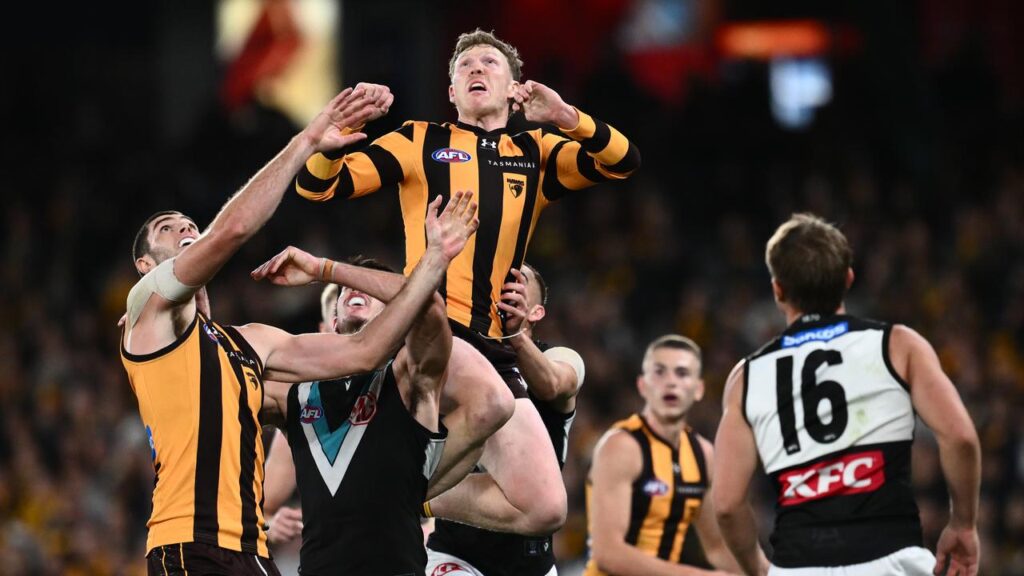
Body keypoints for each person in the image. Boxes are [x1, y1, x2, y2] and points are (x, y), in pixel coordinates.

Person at [119, 84, 481, 575]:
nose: (185, 227)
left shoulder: (250, 342)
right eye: (167, 227)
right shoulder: (146, 310)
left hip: (252, 551)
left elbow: (363, 352)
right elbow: (233, 230)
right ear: (146, 265)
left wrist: (432, 263)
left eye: (188, 223)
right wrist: (307, 140)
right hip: (188, 543)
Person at [293, 28, 641, 531]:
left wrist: (566, 117)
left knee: (545, 507)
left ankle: (402, 498)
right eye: (465, 67)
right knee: (491, 405)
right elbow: (316, 188)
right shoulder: (419, 140)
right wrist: (329, 145)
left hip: (497, 344)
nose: (476, 69)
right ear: (452, 92)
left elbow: (624, 162)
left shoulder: (537, 151)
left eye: (490, 64)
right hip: (434, 329)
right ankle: (383, 494)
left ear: (516, 89)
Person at [712, 213, 981, 576]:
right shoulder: (898, 346)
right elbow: (961, 437)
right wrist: (963, 525)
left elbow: (727, 504)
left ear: (778, 290)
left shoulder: (746, 378)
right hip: (894, 559)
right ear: (848, 279)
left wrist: (757, 568)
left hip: (798, 565)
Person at [253, 252, 460, 576]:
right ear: (332, 321)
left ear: (397, 316)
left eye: (368, 287)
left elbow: (430, 309)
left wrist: (328, 270)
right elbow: (225, 386)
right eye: (343, 289)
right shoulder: (296, 394)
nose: (352, 289)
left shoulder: (410, 380)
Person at [425, 263, 585, 576]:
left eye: (515, 279)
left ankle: (412, 494)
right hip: (456, 554)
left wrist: (515, 336)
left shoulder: (559, 358)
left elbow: (554, 384)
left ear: (536, 312)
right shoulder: (455, 363)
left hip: (533, 562)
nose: (501, 283)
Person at [584, 335, 742, 576]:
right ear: (642, 386)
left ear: (699, 389)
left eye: (682, 373)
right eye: (660, 373)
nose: (671, 383)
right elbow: (609, 554)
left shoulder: (703, 454)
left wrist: (763, 572)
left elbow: (718, 548)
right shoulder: (621, 447)